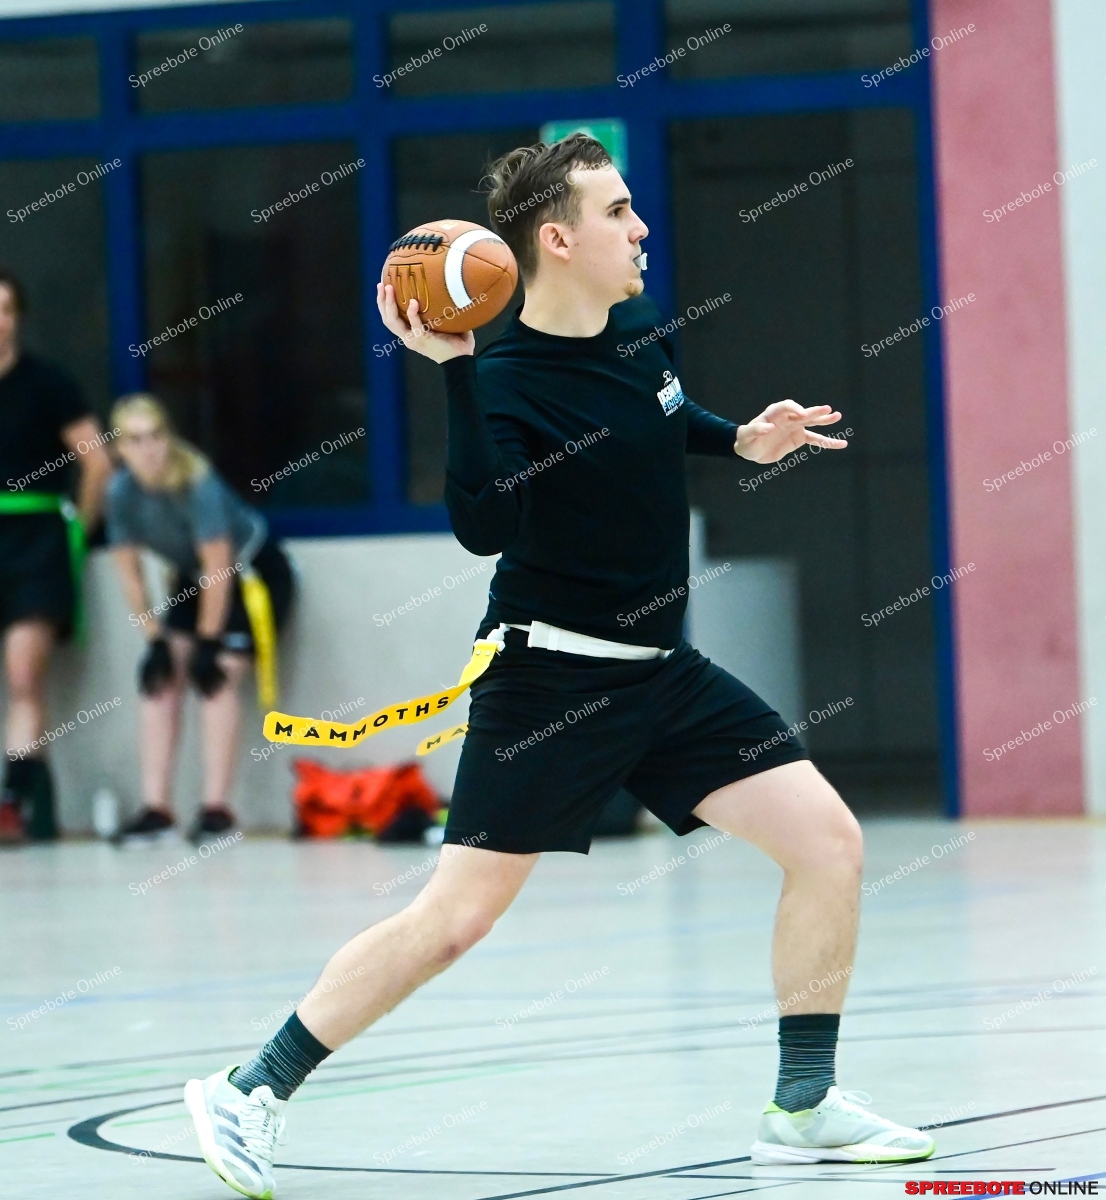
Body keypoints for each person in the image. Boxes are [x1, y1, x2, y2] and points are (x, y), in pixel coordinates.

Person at [185, 134, 934, 1198]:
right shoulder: (504, 383)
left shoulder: (636, 335)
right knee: (454, 922)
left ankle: (802, 1105)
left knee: (827, 845)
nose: (640, 228)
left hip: (663, 676)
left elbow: (661, 420)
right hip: (550, 685)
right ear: (557, 238)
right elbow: (482, 527)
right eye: (617, 211)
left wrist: (740, 439)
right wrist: (453, 372)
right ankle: (249, 1088)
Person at [106, 394, 293, 846]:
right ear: (120, 448)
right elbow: (129, 572)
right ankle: (157, 811)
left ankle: (217, 811)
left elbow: (219, 566)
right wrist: (153, 638)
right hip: (193, 582)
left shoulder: (195, 480)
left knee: (215, 677)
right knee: (159, 679)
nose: (149, 449)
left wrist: (208, 643)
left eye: (156, 436)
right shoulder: (120, 493)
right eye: (136, 440)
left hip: (250, 576)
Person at [0, 268, 114, 843]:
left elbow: (97, 462)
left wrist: (79, 533)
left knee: (24, 673)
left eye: (4, 309)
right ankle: (30, 803)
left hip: (36, 541)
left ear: (18, 317)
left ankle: (16, 799)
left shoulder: (48, 383)